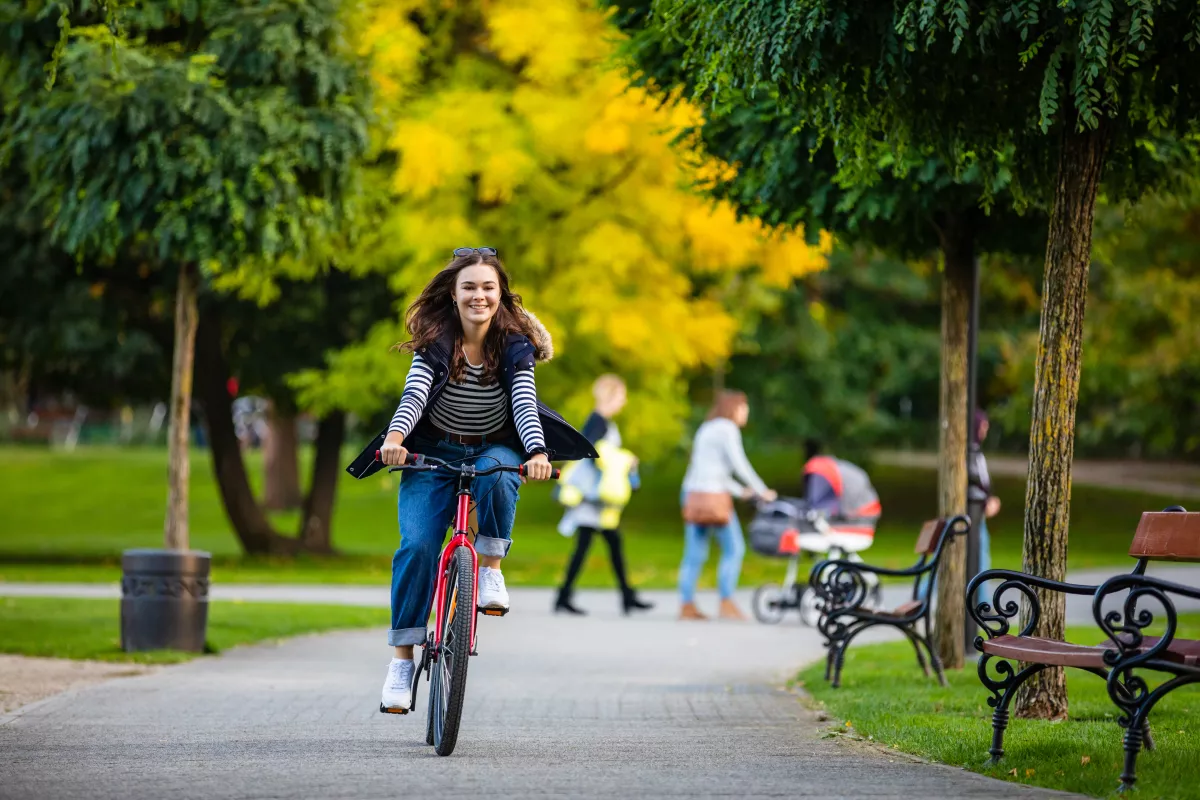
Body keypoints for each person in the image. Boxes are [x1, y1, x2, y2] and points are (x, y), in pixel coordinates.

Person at [347, 247, 596, 713]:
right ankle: (401, 662)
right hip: (433, 448)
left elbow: (523, 402)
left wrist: (538, 452)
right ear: (454, 294)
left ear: (501, 294)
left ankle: (491, 568)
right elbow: (415, 393)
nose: (479, 295)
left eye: (488, 287)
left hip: (493, 444)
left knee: (499, 475)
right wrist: (396, 438)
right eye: (469, 287)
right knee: (417, 545)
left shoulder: (514, 344)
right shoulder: (437, 340)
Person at [554, 374, 654, 616]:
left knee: (606, 544)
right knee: (592, 545)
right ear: (610, 395)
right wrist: (625, 459)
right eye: (621, 396)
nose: (624, 401)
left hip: (596, 500)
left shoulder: (603, 421)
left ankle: (623, 596)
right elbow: (594, 452)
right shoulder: (598, 421)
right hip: (592, 498)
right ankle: (568, 597)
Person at [678, 390, 777, 621]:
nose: (746, 413)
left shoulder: (708, 427)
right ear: (733, 409)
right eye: (744, 409)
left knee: (694, 553)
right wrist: (763, 491)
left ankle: (686, 604)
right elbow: (739, 464)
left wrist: (740, 491)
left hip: (692, 494)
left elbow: (710, 470)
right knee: (734, 548)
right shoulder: (727, 429)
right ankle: (726, 601)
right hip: (713, 498)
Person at [968, 410, 999, 601]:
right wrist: (987, 501)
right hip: (973, 514)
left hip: (978, 514)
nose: (986, 430)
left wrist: (990, 498)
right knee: (982, 559)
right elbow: (974, 483)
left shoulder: (977, 452)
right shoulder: (970, 453)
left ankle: (983, 603)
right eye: (984, 425)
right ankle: (984, 604)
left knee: (981, 559)